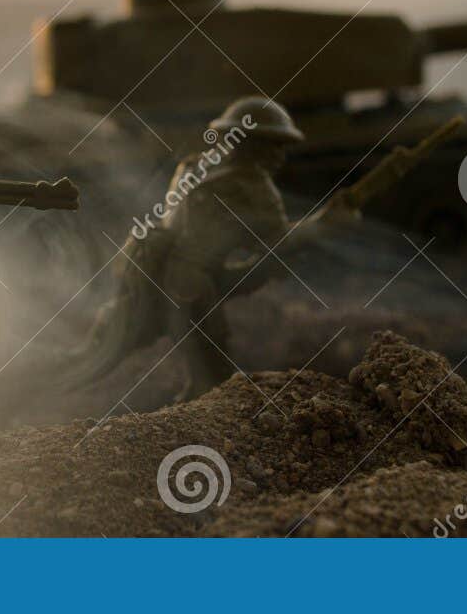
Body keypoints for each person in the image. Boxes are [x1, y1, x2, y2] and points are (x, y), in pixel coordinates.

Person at [71, 96, 304, 402]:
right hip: (186, 289)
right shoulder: (256, 192)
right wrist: (321, 227)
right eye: (274, 145)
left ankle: (27, 383)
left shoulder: (195, 167)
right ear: (251, 146)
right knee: (208, 377)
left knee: (102, 353)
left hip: (154, 280)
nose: (281, 156)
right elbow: (276, 248)